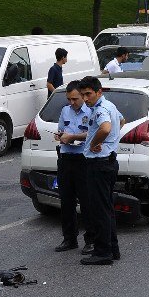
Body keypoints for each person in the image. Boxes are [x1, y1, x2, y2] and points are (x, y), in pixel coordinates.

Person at [77, 76, 122, 265]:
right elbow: (122, 120)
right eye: (83, 95)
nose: (86, 98)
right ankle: (111, 249)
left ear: (99, 92)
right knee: (106, 207)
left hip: (99, 163)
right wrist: (111, 141)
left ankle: (103, 252)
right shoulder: (109, 106)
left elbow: (105, 127)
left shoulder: (101, 109)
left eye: (89, 94)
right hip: (107, 161)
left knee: (100, 209)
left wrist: (97, 142)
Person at [53, 81, 95, 254]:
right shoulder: (65, 111)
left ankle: (91, 240)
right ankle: (69, 238)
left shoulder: (91, 111)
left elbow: (93, 133)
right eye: (69, 99)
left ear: (83, 96)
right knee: (66, 201)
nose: (72, 102)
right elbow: (61, 130)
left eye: (75, 99)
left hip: (83, 159)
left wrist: (74, 137)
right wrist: (61, 136)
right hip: (65, 158)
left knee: (86, 201)